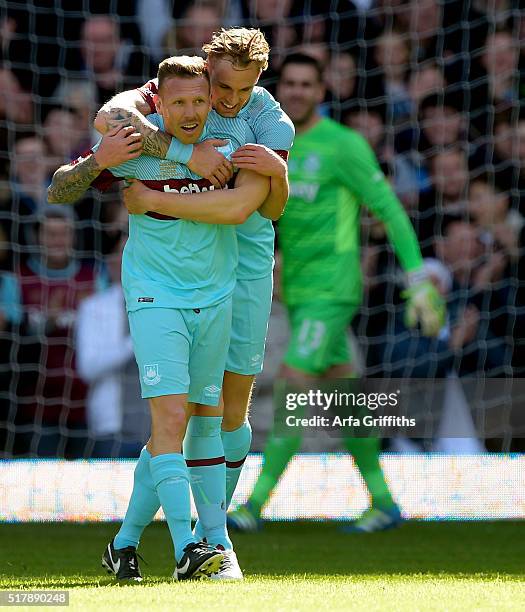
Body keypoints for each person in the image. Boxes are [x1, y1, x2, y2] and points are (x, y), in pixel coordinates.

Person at [48, 55, 271, 581]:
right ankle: (191, 550)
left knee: (205, 422)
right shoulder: (135, 145)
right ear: (159, 104)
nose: (191, 110)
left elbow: (259, 206)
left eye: (199, 100)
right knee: (171, 423)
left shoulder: (229, 146)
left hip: (217, 296)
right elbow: (59, 188)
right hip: (155, 298)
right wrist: (97, 160)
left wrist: (277, 172)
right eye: (179, 102)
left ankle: (125, 545)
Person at [93, 26, 293, 550]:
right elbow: (105, 120)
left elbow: (253, 208)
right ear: (205, 74)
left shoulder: (268, 120)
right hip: (185, 275)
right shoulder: (175, 97)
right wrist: (184, 153)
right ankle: (210, 544)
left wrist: (155, 202)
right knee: (182, 415)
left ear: (258, 83)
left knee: (230, 411)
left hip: (246, 267)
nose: (228, 101)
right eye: (220, 88)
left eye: (241, 92)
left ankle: (191, 538)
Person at [226, 53, 445, 534]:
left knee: (292, 384)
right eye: (293, 84)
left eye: (309, 84)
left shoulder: (343, 145)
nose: (300, 91)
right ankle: (384, 502)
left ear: (322, 92)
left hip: (334, 289)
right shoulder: (272, 146)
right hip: (297, 292)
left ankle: (252, 507)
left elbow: (389, 210)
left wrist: (416, 278)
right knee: (344, 395)